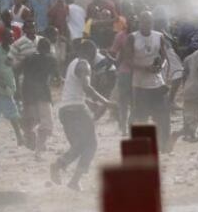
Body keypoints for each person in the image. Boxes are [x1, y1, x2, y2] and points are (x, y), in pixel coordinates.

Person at [51, 39, 115, 191]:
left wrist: (89, 103)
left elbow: (73, 90)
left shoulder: (73, 63)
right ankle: (62, 168)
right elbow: (87, 87)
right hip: (77, 110)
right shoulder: (84, 64)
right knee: (90, 145)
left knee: (81, 145)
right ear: (91, 53)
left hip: (66, 110)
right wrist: (105, 102)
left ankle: (69, 175)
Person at [126, 11, 172, 149]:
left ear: (152, 23)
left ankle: (163, 145)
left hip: (157, 83)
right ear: (139, 22)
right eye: (143, 21)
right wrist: (145, 68)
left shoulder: (159, 36)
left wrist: (160, 67)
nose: (146, 24)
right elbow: (128, 61)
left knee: (163, 115)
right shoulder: (132, 38)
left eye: (149, 22)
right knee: (141, 116)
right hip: (140, 84)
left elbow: (164, 57)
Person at [21, 38, 58, 159]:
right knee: (47, 124)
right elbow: (56, 79)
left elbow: (18, 71)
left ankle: (35, 140)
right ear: (48, 49)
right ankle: (38, 151)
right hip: (42, 94)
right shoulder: (50, 59)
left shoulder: (28, 58)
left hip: (28, 93)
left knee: (36, 120)